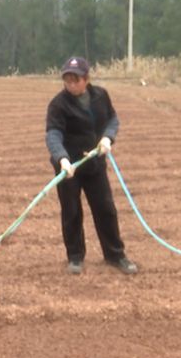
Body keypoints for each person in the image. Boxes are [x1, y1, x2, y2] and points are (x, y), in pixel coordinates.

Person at [45, 56, 138, 275]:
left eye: (75, 80)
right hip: (69, 167)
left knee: (105, 208)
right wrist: (62, 159)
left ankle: (115, 255)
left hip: (94, 164)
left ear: (86, 79)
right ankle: (75, 257)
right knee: (72, 211)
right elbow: (53, 134)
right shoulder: (58, 104)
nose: (71, 84)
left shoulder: (101, 96)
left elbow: (112, 120)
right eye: (67, 80)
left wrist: (108, 138)